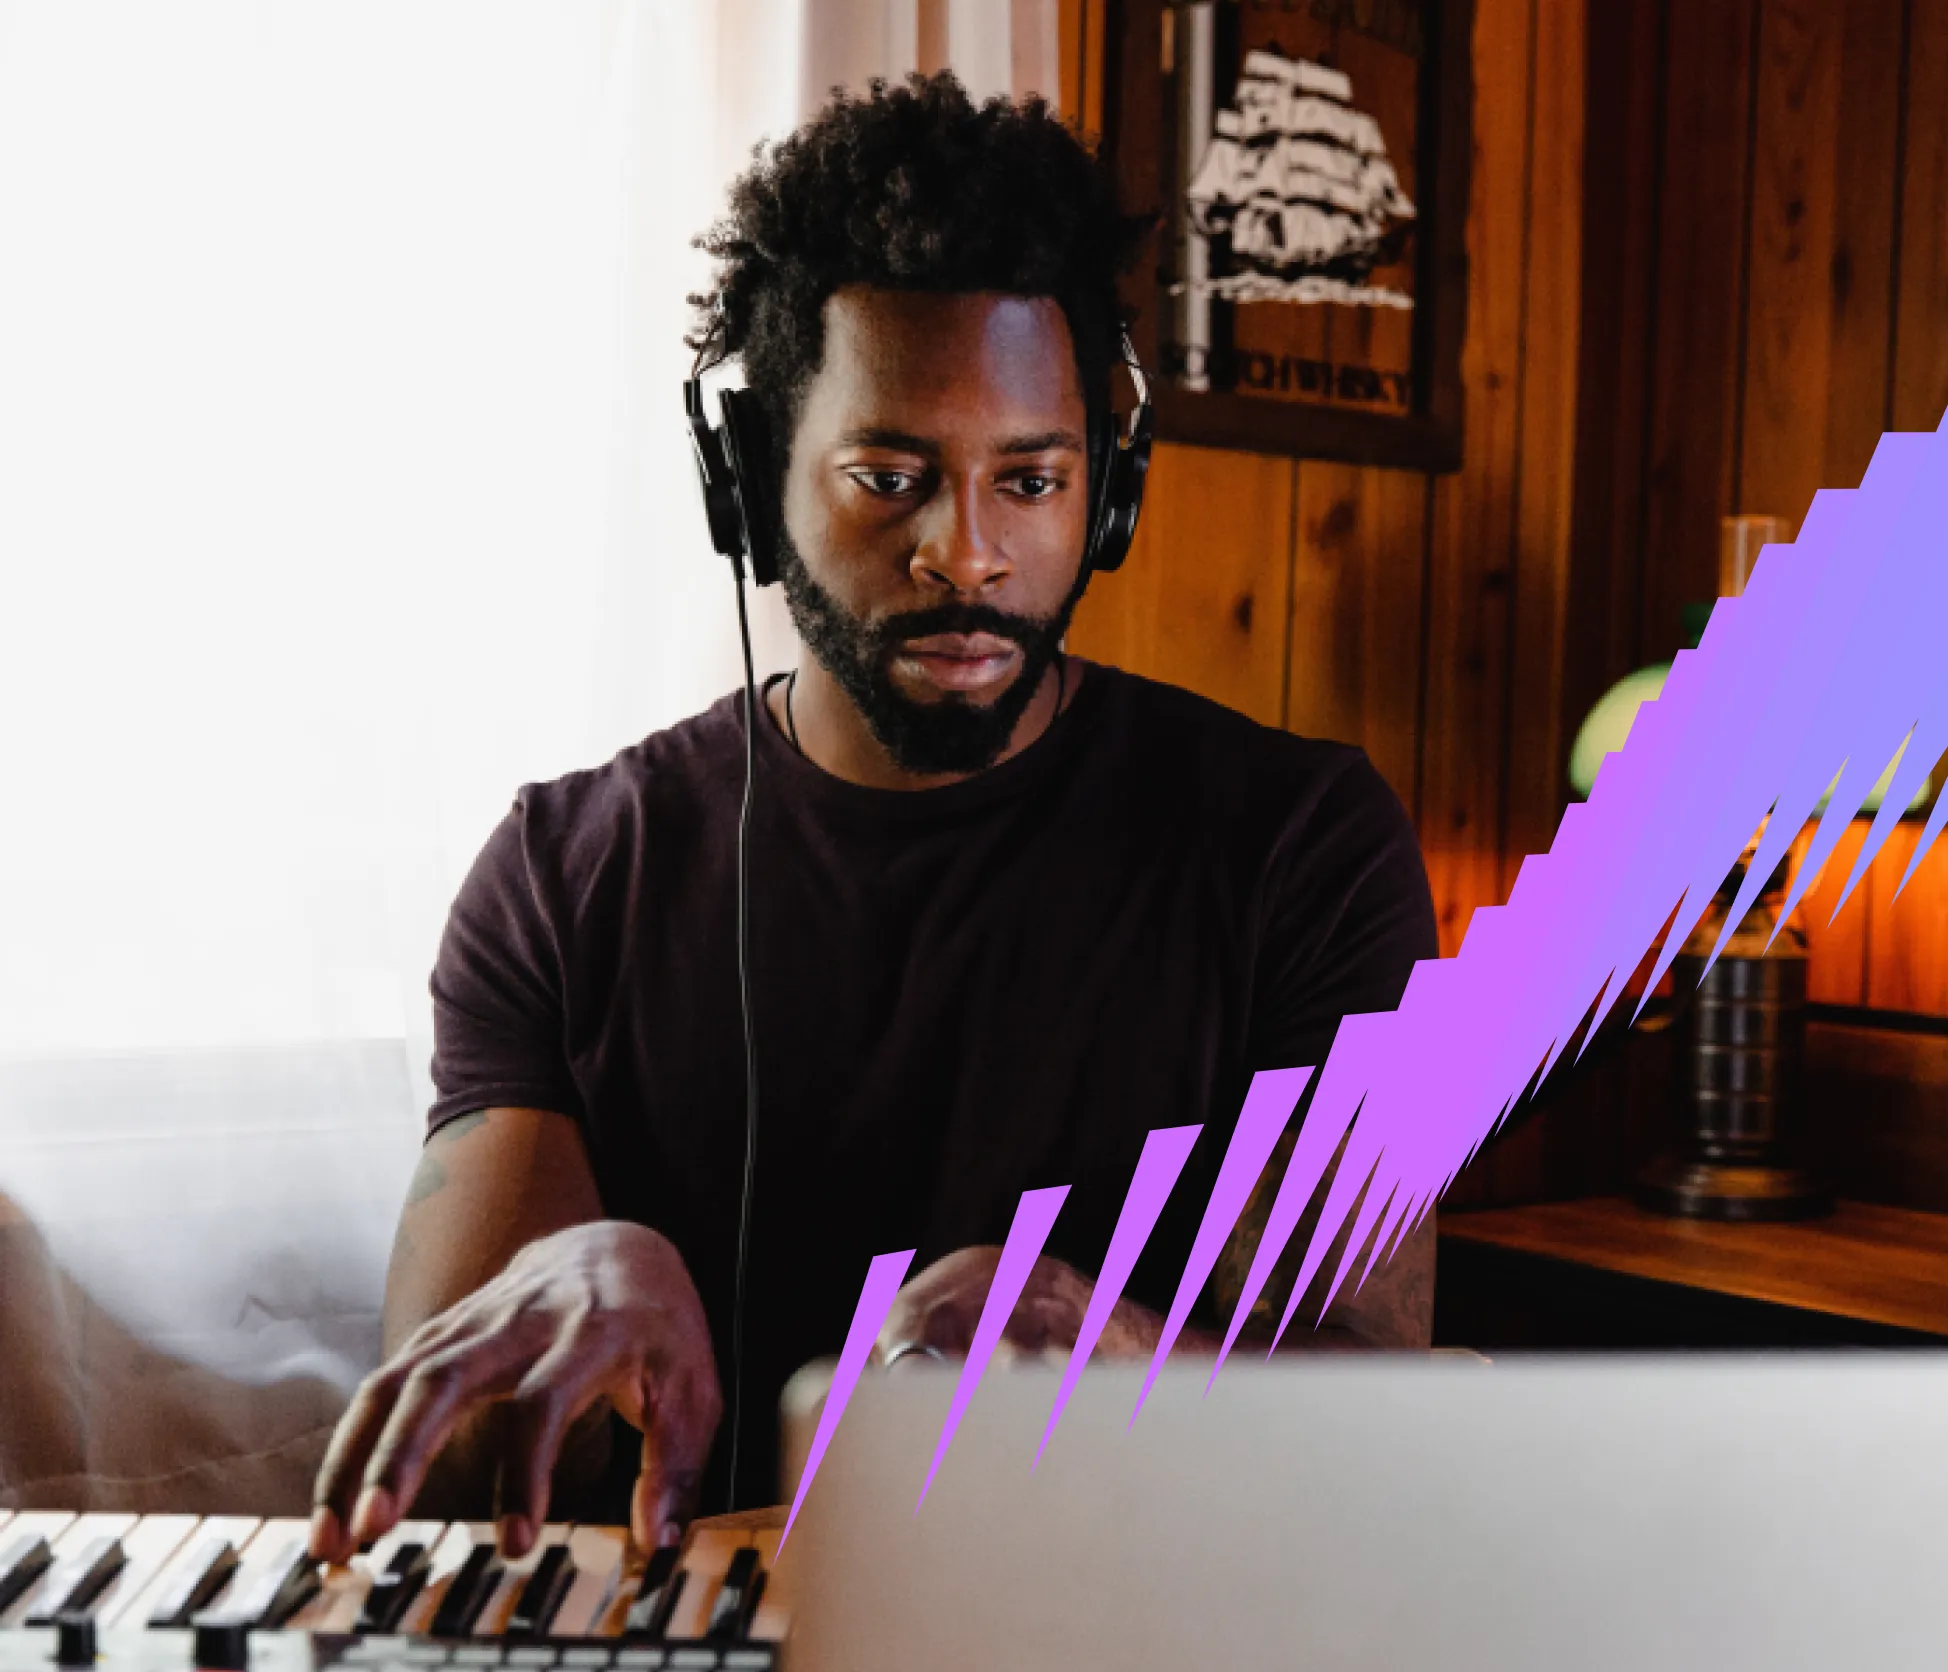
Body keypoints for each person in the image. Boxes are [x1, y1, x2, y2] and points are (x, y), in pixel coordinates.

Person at [306, 73, 1439, 1568]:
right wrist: (593, 1272)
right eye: (889, 477)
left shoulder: (1304, 850)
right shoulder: (563, 876)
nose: (967, 551)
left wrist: (1121, 1356)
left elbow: (1383, 1415)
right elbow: (434, 1494)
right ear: (751, 484)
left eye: (1029, 479)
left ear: (1107, 494)